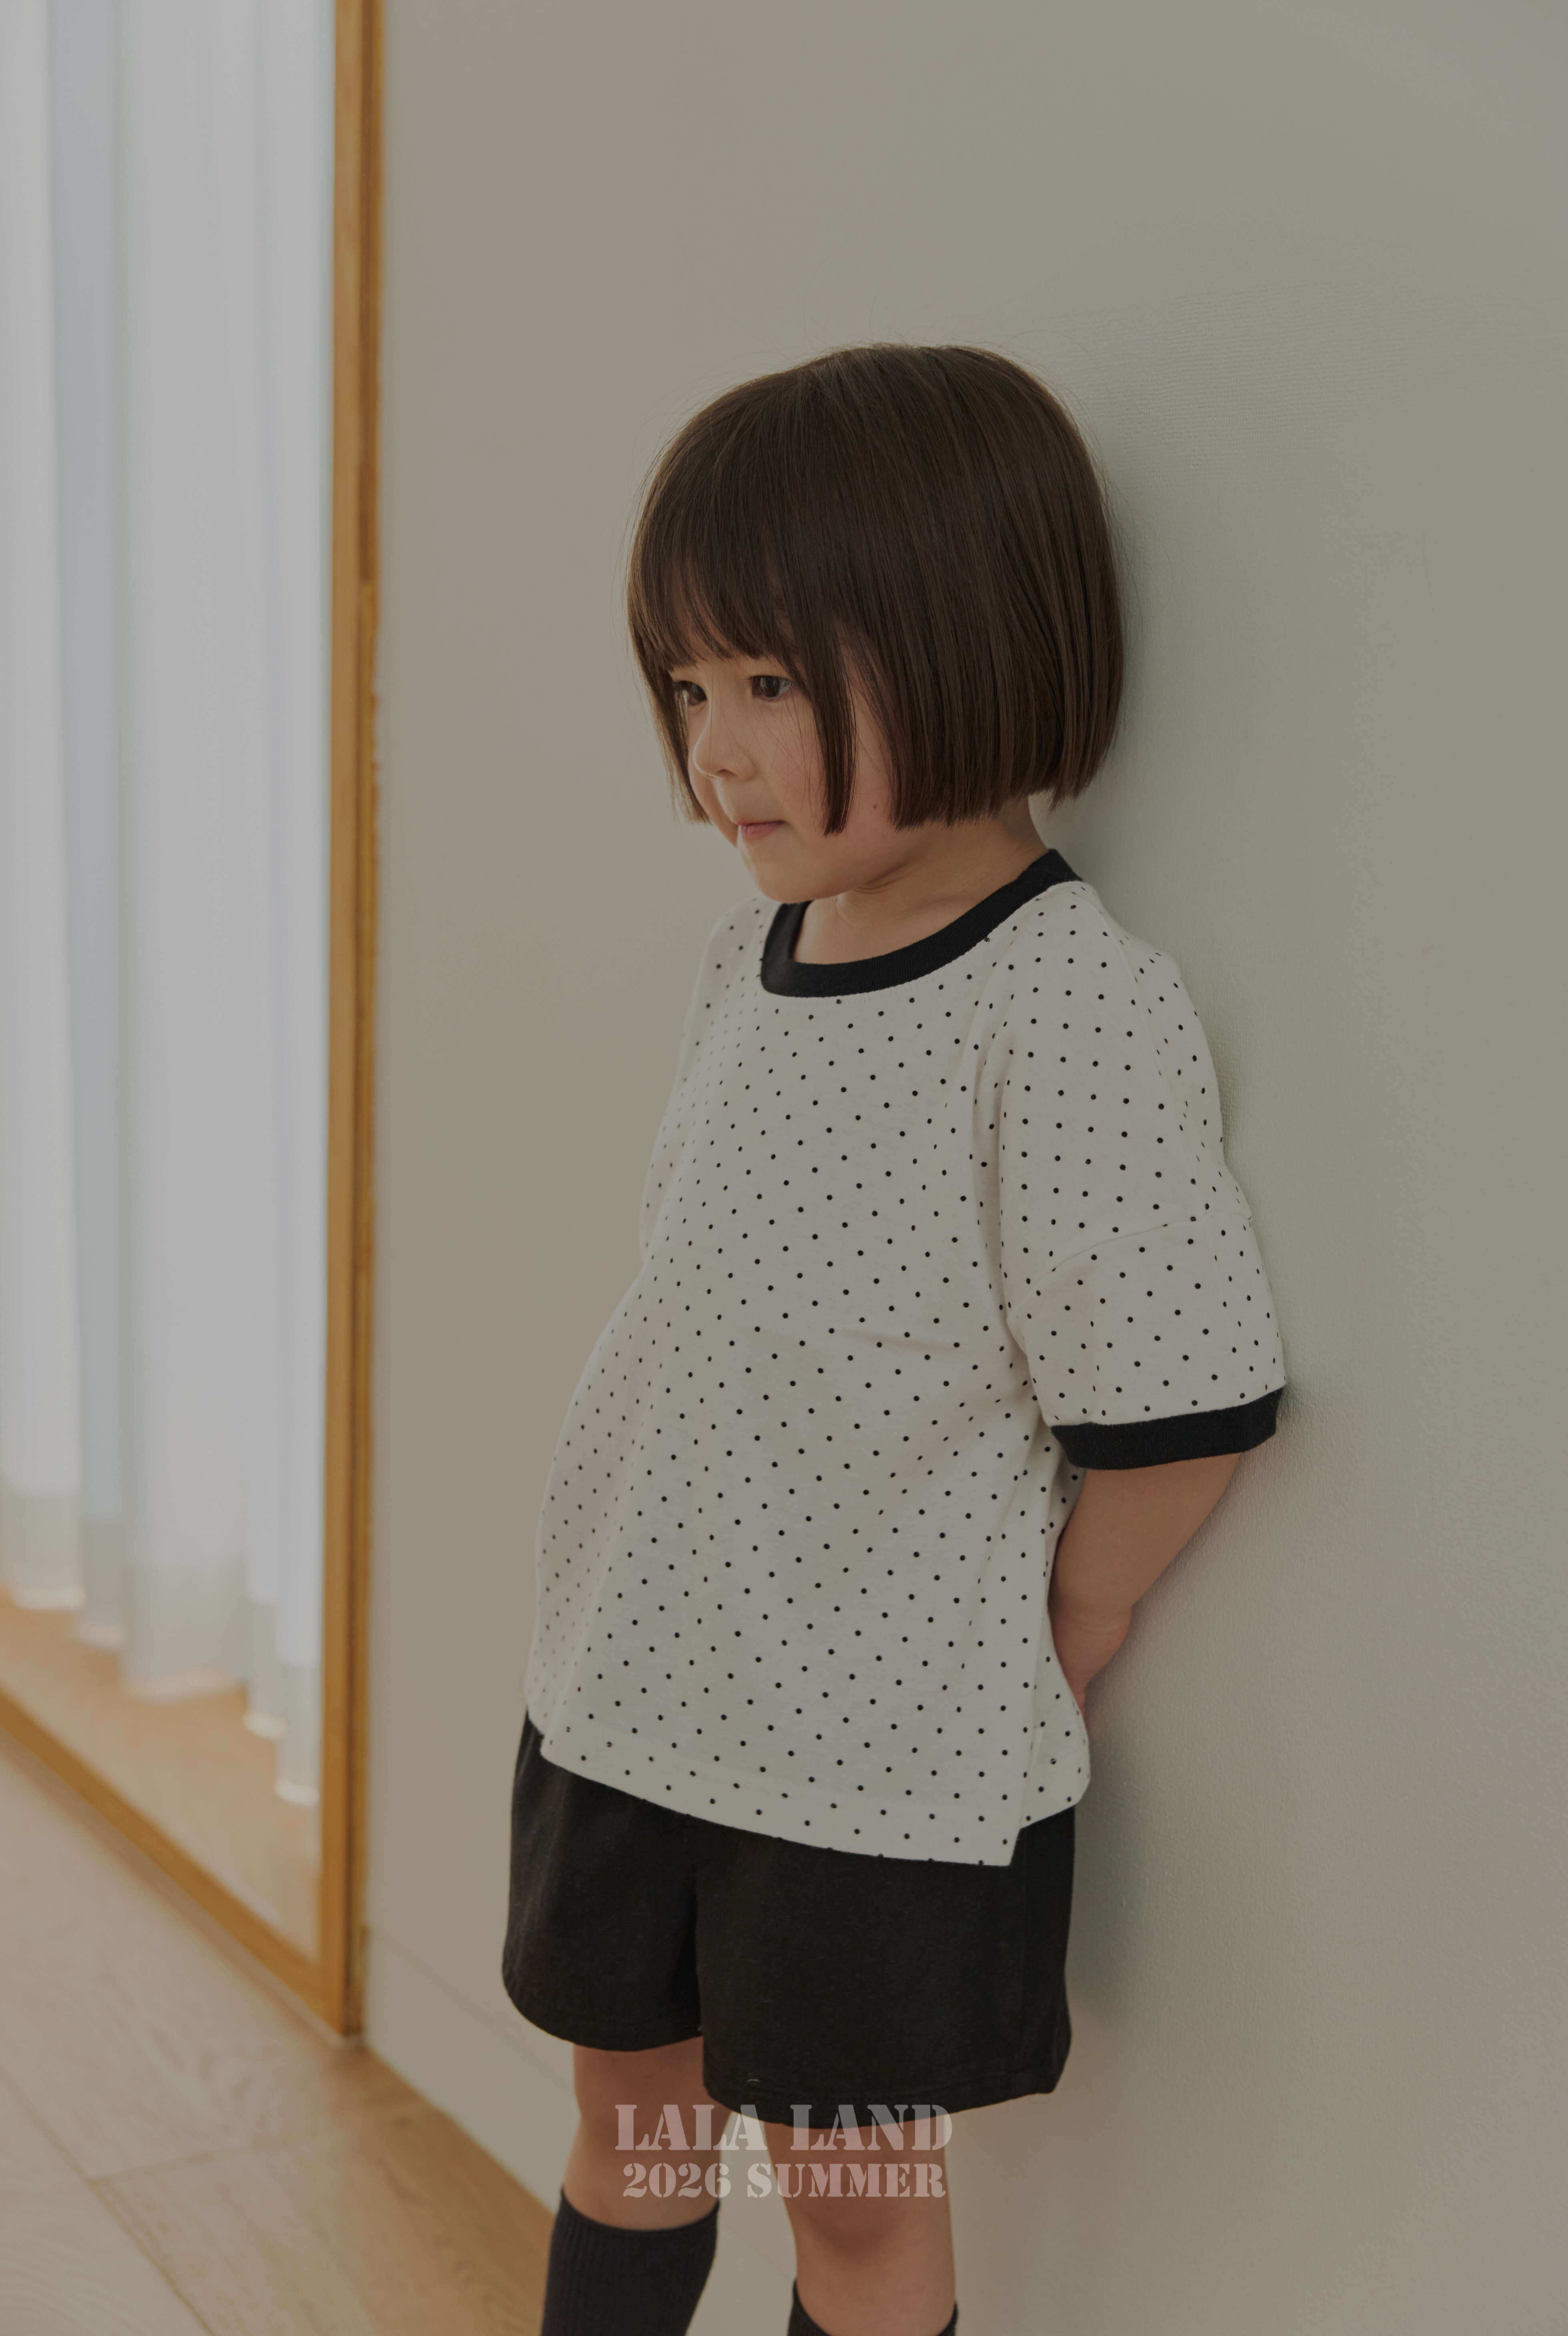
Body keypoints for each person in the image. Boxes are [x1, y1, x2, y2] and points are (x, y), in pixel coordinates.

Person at [501, 343, 1287, 2336]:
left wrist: (1065, 1628)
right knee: (631, 2124)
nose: (715, 751)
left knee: (852, 2215)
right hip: (635, 1686)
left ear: (973, 642)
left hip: (865, 1768)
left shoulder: (1065, 1001)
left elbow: (1177, 1405)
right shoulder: (743, 955)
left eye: (769, 681)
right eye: (689, 685)